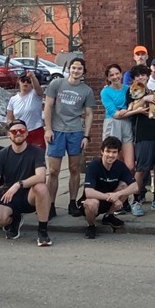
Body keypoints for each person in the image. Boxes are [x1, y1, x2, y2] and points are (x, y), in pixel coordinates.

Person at [0, 119, 53, 247]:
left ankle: (42, 231)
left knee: (41, 187)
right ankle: (14, 219)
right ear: (9, 135)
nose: (18, 133)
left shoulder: (37, 152)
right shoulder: (1, 155)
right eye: (14, 131)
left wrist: (18, 184)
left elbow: (41, 176)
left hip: (29, 196)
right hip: (8, 196)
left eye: (21, 130)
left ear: (26, 133)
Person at [43, 57, 97, 217]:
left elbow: (89, 114)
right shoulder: (56, 84)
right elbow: (48, 106)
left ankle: (72, 202)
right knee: (53, 171)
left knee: (74, 169)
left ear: (83, 71)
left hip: (75, 132)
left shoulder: (86, 91)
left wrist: (86, 136)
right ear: (69, 69)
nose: (76, 71)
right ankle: (50, 204)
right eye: (74, 67)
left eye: (79, 69)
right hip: (57, 131)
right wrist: (48, 129)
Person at [125, 64, 155, 215]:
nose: (141, 78)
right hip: (143, 135)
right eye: (138, 76)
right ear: (134, 79)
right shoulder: (131, 92)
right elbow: (132, 109)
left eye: (143, 75)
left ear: (147, 76)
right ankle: (136, 200)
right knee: (141, 169)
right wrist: (144, 98)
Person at [80, 136, 140, 239]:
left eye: (114, 152)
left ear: (118, 153)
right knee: (91, 203)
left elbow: (135, 187)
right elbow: (89, 192)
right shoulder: (93, 165)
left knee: (124, 186)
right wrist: (112, 197)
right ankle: (91, 225)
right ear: (102, 151)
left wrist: (118, 194)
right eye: (108, 151)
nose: (111, 155)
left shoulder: (120, 166)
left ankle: (109, 216)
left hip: (110, 201)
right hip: (95, 201)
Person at [100, 63, 135, 169]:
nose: (115, 77)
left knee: (130, 165)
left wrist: (126, 111)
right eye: (111, 75)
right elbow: (115, 114)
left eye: (117, 73)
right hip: (112, 124)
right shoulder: (105, 92)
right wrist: (135, 111)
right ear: (108, 78)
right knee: (112, 160)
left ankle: (126, 180)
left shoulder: (129, 89)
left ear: (121, 74)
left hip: (127, 124)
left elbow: (134, 104)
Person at [7, 71, 46, 150]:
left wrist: (32, 77)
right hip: (20, 132)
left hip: (36, 130)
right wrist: (12, 130)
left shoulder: (35, 94)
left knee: (38, 155)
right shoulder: (13, 99)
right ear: (19, 81)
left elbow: (38, 88)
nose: (25, 83)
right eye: (23, 80)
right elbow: (9, 118)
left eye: (28, 81)